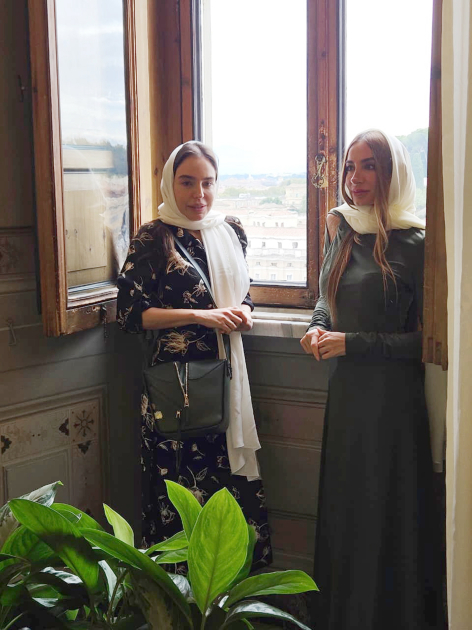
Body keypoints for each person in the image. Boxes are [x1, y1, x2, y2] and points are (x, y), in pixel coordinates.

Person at [300, 130, 444, 629]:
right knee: (347, 514)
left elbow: (427, 342)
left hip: (391, 404)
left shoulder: (417, 242)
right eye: (349, 166)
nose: (354, 178)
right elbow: (326, 295)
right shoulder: (341, 227)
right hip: (346, 397)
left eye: (368, 166)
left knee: (386, 512)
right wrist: (318, 325)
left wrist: (352, 343)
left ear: (391, 172)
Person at [117, 141, 272, 568]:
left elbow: (244, 292)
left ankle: (228, 594)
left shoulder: (230, 231)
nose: (198, 194)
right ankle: (177, 594)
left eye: (207, 183)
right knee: (179, 490)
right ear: (170, 183)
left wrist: (244, 311)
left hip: (226, 381)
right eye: (187, 182)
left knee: (227, 488)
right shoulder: (153, 237)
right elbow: (130, 315)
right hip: (177, 390)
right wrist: (201, 317)